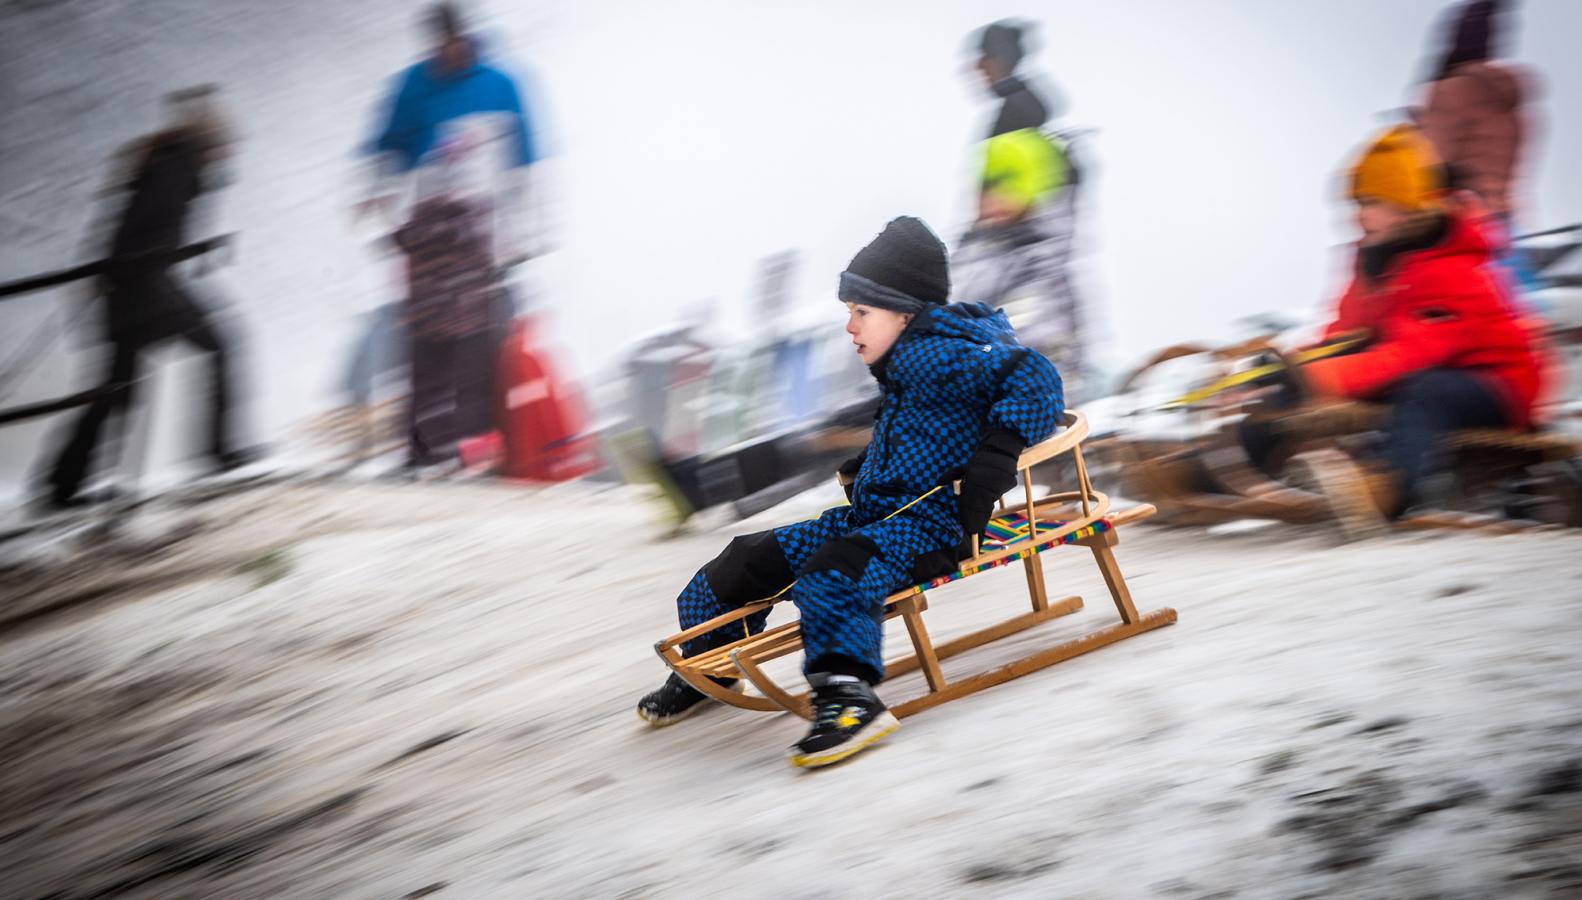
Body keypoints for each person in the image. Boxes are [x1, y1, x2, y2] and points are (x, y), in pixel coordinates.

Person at [636, 217, 1065, 768]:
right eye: (849, 312)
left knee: (835, 573)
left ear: (904, 312)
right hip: (874, 520)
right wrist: (868, 466)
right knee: (744, 559)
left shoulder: (959, 354)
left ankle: (848, 696)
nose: (850, 326)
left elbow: (1038, 377)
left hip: (931, 527)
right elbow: (927, 433)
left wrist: (999, 453)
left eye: (861, 312)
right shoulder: (906, 365)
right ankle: (710, 664)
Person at [1264, 125, 1541, 520]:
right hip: (1416, 368)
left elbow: (1411, 354)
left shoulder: (1450, 269)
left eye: (1371, 203)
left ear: (1407, 206)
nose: (1358, 215)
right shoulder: (1374, 261)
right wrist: (1298, 367)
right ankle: (1224, 468)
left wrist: (1321, 377)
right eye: (1355, 203)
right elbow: (1346, 335)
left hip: (1495, 384)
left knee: (1425, 392)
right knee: (1297, 386)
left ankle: (1388, 488)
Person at [38, 85, 254, 511]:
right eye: (227, 145)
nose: (229, 155)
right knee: (220, 344)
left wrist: (190, 251)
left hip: (128, 288)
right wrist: (161, 266)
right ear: (212, 142)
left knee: (117, 391)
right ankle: (218, 453)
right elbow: (145, 233)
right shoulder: (178, 166)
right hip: (145, 289)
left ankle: (61, 485)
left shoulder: (169, 162)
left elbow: (140, 231)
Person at [358, 1, 544, 469]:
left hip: (484, 237)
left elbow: (526, 163)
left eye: (454, 44)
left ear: (466, 37)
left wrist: (528, 233)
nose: (448, 53)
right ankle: (423, 450)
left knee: (481, 342)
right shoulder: (413, 85)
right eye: (440, 46)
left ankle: (479, 443)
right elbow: (386, 149)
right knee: (426, 342)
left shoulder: (501, 84)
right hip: (430, 239)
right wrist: (375, 199)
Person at [950, 20, 1084, 392]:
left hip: (1025, 288)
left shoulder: (1014, 120)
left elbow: (1004, 202)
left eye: (982, 59)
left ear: (996, 60)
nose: (974, 69)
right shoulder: (1021, 118)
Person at [1413, 0, 1540, 293]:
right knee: (1513, 301)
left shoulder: (1450, 90)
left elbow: (1430, 160)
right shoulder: (1510, 103)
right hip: (1502, 216)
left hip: (1458, 220)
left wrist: (1415, 131)